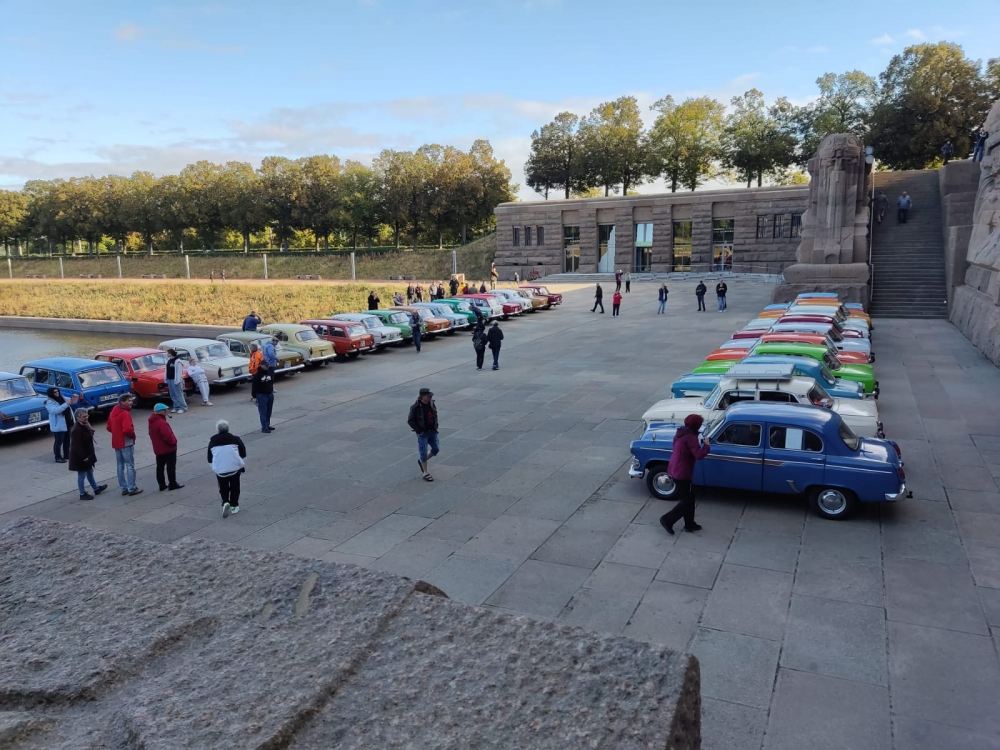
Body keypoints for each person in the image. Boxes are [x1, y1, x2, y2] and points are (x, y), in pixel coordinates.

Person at [659, 414, 711, 535]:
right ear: (696, 426)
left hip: (674, 467)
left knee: (689, 498)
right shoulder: (690, 438)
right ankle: (667, 520)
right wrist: (707, 445)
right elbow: (699, 455)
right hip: (683, 472)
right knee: (687, 501)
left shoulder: (680, 433)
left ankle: (689, 524)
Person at [208, 419, 246, 518]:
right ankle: (234, 505)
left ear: (218, 430)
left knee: (223, 487)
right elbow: (243, 452)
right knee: (235, 487)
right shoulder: (236, 439)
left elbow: (209, 458)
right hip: (234, 468)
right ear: (228, 429)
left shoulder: (212, 441)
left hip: (220, 470)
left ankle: (225, 501)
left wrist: (215, 468)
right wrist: (241, 464)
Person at [107, 393, 142, 496]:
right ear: (122, 402)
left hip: (116, 442)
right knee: (130, 465)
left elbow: (108, 427)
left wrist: (116, 433)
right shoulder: (125, 413)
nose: (131, 402)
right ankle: (132, 488)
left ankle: (124, 488)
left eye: (131, 400)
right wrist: (133, 436)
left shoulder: (114, 410)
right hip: (126, 442)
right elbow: (127, 429)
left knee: (120, 465)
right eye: (129, 400)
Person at [68, 407, 107, 500]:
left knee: (90, 472)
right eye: (84, 416)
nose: (86, 418)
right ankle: (82, 494)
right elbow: (76, 446)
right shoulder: (76, 429)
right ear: (78, 417)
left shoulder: (85, 425)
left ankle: (96, 488)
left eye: (87, 415)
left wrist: (89, 427)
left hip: (87, 454)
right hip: (81, 457)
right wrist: (84, 457)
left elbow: (90, 436)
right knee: (82, 475)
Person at [148, 402, 183, 491]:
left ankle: (162, 485)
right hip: (168, 449)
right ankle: (172, 484)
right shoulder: (161, 423)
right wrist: (174, 442)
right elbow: (168, 436)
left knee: (160, 467)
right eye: (166, 410)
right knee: (171, 467)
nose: (167, 411)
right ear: (161, 411)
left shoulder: (152, 421)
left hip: (158, 449)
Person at [407, 387, 439, 482]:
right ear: (422, 396)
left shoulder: (431, 403)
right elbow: (410, 420)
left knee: (436, 449)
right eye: (428, 396)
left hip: (432, 431)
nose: (430, 397)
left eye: (430, 396)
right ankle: (425, 472)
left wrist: (436, 426)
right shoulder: (415, 407)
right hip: (423, 433)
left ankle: (421, 461)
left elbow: (435, 415)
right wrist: (419, 430)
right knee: (423, 452)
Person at [45, 386, 78, 463]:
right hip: (58, 425)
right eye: (55, 392)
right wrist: (66, 403)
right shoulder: (49, 402)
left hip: (67, 422)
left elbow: (71, 402)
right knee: (59, 442)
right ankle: (58, 457)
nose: (57, 393)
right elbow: (56, 411)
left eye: (58, 391)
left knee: (67, 440)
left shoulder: (62, 397)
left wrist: (75, 398)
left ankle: (67, 455)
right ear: (51, 393)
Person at [252, 360, 275, 433]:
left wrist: (272, 390)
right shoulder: (257, 375)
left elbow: (271, 382)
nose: (267, 366)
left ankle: (267, 425)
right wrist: (254, 397)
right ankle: (264, 428)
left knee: (269, 411)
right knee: (263, 412)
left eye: (267, 365)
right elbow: (254, 386)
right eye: (266, 365)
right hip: (261, 395)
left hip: (270, 394)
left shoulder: (270, 372)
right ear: (261, 365)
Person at [164, 349, 188, 413]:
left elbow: (179, 372)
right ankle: (176, 407)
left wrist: (177, 380)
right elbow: (166, 370)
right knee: (172, 394)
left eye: (167, 353)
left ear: (171, 353)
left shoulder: (178, 361)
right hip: (169, 379)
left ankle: (183, 408)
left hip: (176, 380)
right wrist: (166, 379)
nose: (167, 354)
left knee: (178, 394)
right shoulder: (168, 360)